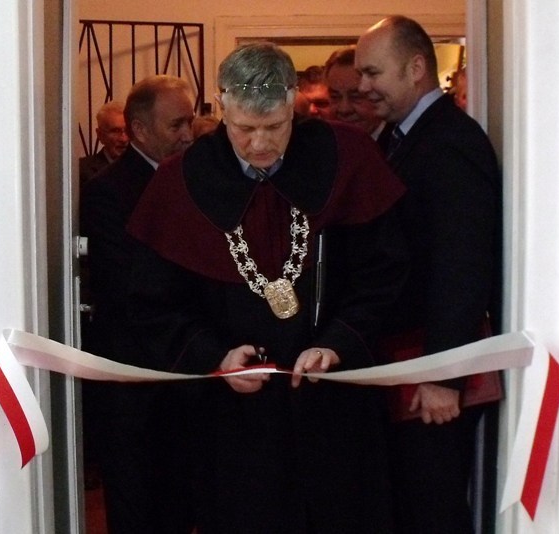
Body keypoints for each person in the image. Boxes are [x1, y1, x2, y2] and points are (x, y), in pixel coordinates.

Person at [125, 42, 409, 533]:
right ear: (221, 105)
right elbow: (153, 302)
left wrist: (340, 341)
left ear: (293, 101)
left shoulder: (347, 157)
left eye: (275, 126)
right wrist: (214, 356)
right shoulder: (180, 181)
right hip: (235, 419)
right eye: (244, 128)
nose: (260, 144)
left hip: (334, 405)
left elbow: (385, 271)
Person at [356, 16, 502, 533]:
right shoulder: (400, 138)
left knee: (431, 511)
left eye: (373, 73)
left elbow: (461, 265)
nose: (362, 86)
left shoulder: (449, 142)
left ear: (416, 67)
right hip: (406, 365)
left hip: (430, 374)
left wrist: (444, 375)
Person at [80, 74, 195, 534]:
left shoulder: (198, 178)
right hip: (134, 375)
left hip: (188, 369)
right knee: (136, 499)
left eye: (189, 122)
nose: (188, 134)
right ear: (140, 130)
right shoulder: (108, 190)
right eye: (176, 125)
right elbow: (124, 283)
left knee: (182, 496)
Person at [324, 46, 384, 139]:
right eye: (335, 97)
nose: (344, 109)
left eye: (356, 97)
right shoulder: (321, 144)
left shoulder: (401, 143)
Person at [79, 100, 129, 185]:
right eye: (115, 131)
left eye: (127, 130)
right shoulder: (81, 170)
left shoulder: (144, 168)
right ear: (100, 135)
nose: (124, 139)